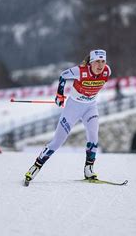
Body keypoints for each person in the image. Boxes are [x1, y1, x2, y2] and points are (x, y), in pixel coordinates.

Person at [24, 49, 111, 185]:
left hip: (90, 107)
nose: (100, 65)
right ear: (91, 62)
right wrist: (60, 95)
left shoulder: (107, 71)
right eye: (97, 62)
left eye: (103, 61)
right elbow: (63, 76)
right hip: (73, 107)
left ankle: (89, 169)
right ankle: (36, 166)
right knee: (58, 141)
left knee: (93, 136)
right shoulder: (80, 71)